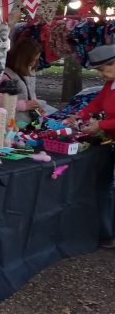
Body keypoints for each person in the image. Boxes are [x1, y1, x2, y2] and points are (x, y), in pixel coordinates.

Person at [64, 45, 115, 249]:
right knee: (105, 187)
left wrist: (100, 125)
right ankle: (106, 231)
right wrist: (80, 115)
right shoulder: (109, 85)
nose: (102, 74)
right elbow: (97, 104)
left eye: (104, 69)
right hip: (111, 140)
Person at [0, 39, 45, 128]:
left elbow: (30, 94)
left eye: (37, 60)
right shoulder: (6, 75)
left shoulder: (30, 71)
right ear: (23, 58)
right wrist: (22, 105)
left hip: (26, 123)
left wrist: (36, 107)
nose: (34, 63)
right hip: (10, 124)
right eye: (32, 60)